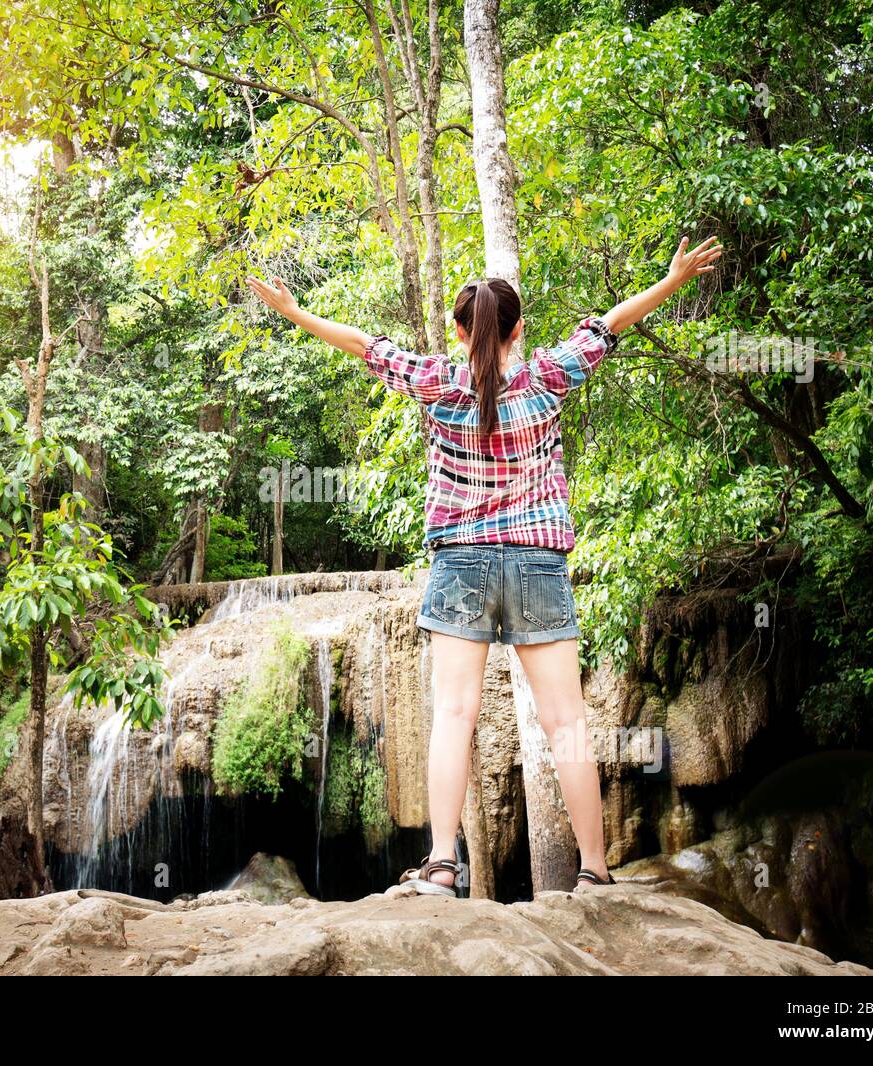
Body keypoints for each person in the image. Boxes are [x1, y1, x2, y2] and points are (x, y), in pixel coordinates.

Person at [244, 235, 724, 896]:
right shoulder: (550, 376)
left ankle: (442, 864)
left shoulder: (437, 381)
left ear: (458, 329)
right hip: (536, 564)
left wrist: (295, 311)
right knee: (566, 724)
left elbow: (361, 344)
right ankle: (594, 869)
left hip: (462, 565)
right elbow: (611, 324)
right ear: (519, 328)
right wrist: (671, 281)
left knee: (454, 715)